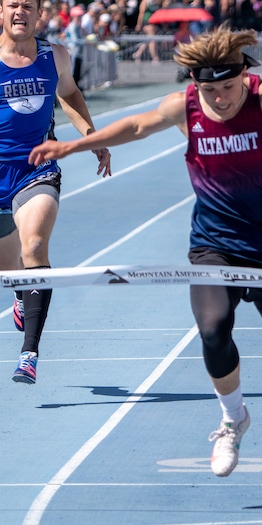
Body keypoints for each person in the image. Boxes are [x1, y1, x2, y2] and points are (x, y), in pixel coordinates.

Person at [29, 26, 262, 476]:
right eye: (210, 90)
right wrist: (74, 145)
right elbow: (134, 126)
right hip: (214, 247)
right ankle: (233, 420)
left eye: (228, 87)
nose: (221, 98)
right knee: (212, 331)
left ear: (244, 75)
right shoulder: (184, 108)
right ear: (196, 85)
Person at [0, 0, 111, 384]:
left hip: (37, 168)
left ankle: (29, 353)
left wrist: (91, 136)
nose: (20, 12)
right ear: (0, 12)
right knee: (8, 268)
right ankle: (19, 295)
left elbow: (70, 94)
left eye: (27, 6)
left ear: (39, 15)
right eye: (12, 4)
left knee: (34, 248)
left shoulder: (56, 55)